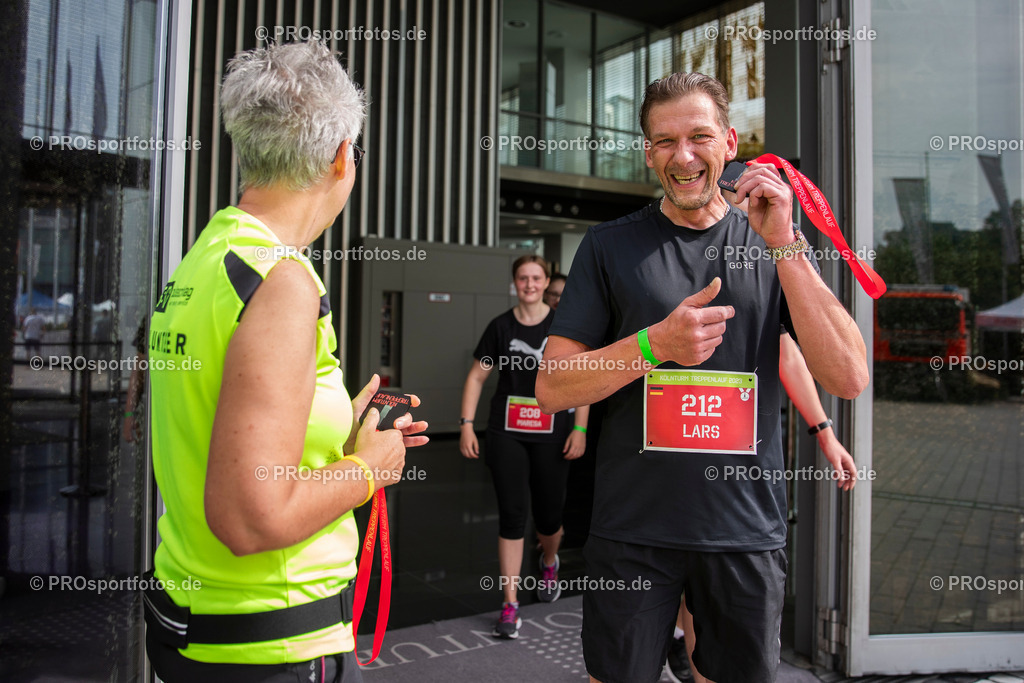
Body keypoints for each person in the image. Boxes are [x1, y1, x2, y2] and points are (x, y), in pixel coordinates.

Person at [536, 72, 868, 683]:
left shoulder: (772, 240)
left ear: (730, 143)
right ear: (647, 153)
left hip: (743, 531)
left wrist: (786, 244)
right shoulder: (610, 247)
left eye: (699, 137)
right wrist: (653, 344)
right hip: (633, 529)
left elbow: (848, 376)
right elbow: (552, 387)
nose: (682, 156)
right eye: (664, 142)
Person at [144, 41, 428, 683]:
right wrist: (367, 467)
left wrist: (335, 424)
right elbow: (251, 516)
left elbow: (223, 420)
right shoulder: (281, 280)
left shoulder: (208, 260)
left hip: (199, 622)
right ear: (340, 159)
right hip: (270, 644)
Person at [665, 331, 858, 683]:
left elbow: (788, 356)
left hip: (738, 461)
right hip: (667, 446)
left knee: (714, 576)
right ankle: (680, 636)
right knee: (689, 565)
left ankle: (683, 635)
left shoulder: (766, 275)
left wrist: (826, 434)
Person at [459, 255, 589, 640]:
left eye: (536, 278)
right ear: (515, 282)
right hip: (507, 433)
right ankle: (509, 603)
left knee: (549, 517)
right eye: (522, 277)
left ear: (546, 282)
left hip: (553, 432)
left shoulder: (564, 327)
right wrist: (467, 425)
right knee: (512, 515)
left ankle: (549, 559)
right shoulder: (500, 327)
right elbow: (477, 377)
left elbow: (582, 379)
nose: (529, 284)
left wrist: (580, 428)